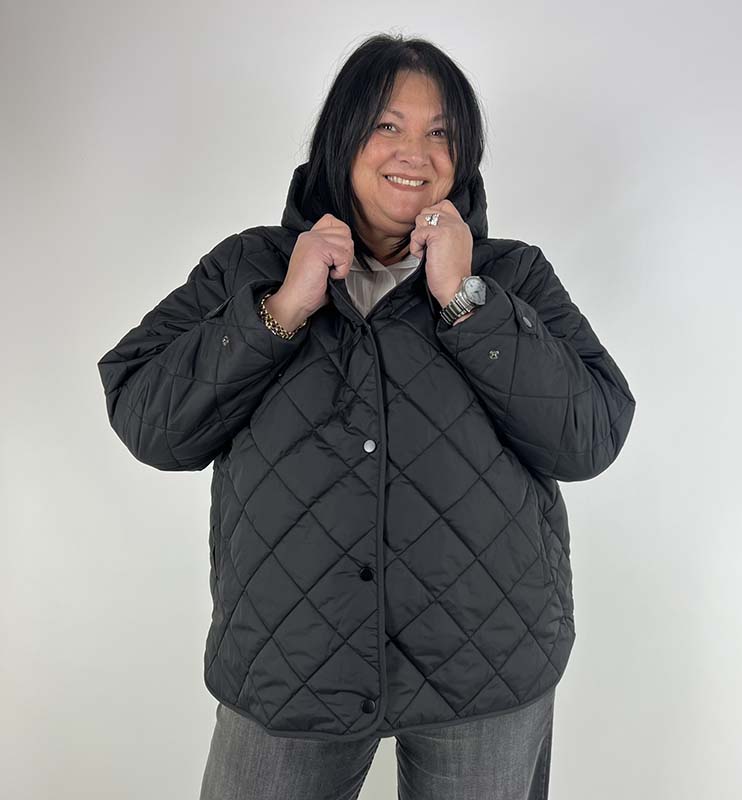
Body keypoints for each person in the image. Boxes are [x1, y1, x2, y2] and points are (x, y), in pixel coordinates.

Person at [97, 33, 636, 800]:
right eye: (388, 125)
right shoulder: (250, 265)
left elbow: (592, 434)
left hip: (485, 662)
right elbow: (146, 415)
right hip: (291, 659)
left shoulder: (511, 275)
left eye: (440, 132)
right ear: (343, 137)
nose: (414, 152)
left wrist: (467, 300)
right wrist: (281, 309)